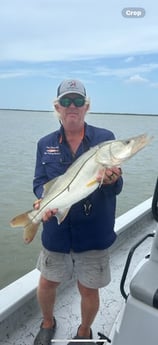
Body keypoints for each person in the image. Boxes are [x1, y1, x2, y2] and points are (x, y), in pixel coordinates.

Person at [33, 79, 123, 345]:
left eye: (78, 101)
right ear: (57, 107)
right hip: (56, 233)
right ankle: (47, 323)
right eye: (66, 101)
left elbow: (117, 186)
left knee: (88, 288)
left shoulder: (105, 140)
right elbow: (40, 183)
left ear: (86, 106)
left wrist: (111, 180)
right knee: (48, 283)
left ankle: (84, 332)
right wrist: (43, 201)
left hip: (94, 232)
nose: (72, 106)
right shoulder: (44, 143)